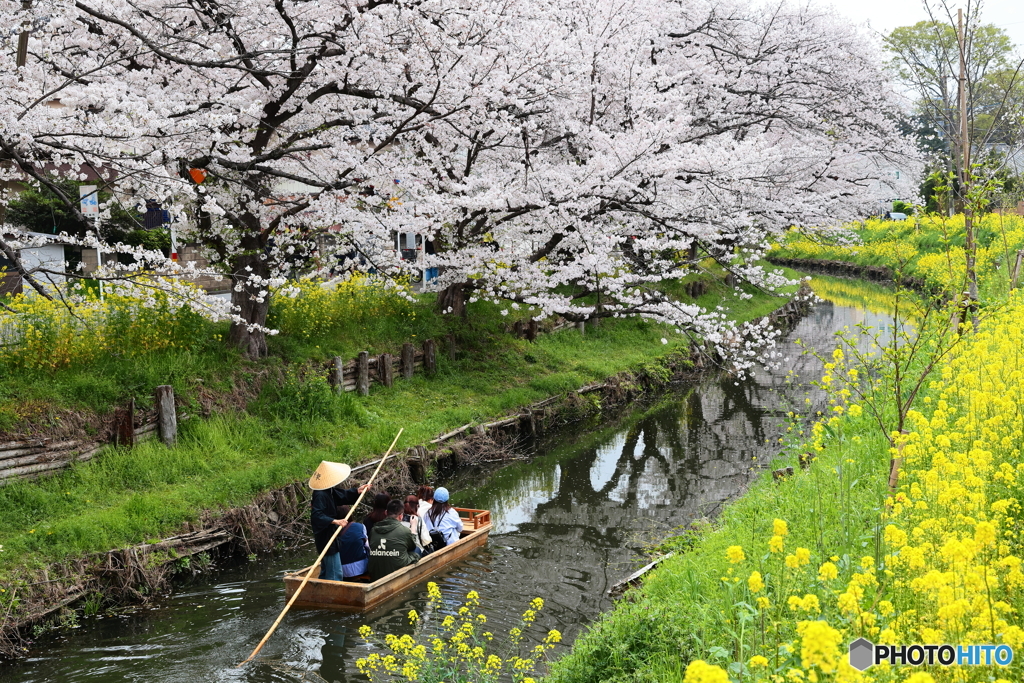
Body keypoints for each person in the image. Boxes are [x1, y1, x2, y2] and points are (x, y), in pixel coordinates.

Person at [308, 461, 370, 582]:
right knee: (335, 573)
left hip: (330, 534)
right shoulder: (320, 494)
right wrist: (335, 521)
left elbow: (342, 495)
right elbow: (316, 516)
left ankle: (320, 590)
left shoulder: (328, 490)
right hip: (326, 537)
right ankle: (330, 596)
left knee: (326, 570)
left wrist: (357, 491)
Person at [367, 499, 418, 581]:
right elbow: (412, 547)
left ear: (386, 512)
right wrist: (413, 528)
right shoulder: (404, 530)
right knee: (417, 551)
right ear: (401, 516)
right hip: (395, 572)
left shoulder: (373, 530)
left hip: (376, 574)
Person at [337, 505, 370, 578]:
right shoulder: (360, 527)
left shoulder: (334, 531)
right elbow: (367, 546)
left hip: (342, 570)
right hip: (361, 569)